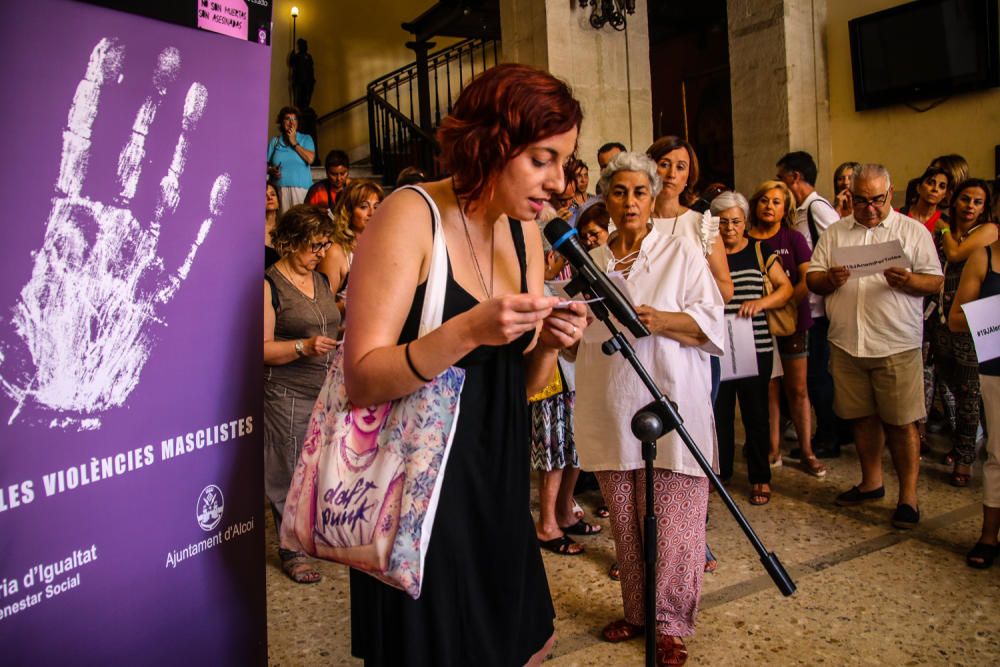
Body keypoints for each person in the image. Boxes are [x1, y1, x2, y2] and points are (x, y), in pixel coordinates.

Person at [342, 63, 587, 667]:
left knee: (523, 644)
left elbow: (518, 385)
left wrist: (551, 342)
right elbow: (363, 376)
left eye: (563, 162)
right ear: (491, 143)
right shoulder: (409, 215)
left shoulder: (525, 233)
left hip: (499, 485)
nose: (558, 182)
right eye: (542, 159)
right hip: (422, 497)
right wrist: (468, 329)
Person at [574, 151, 724, 666]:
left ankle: (670, 623)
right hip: (611, 403)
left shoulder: (681, 251)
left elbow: (712, 323)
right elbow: (582, 337)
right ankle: (638, 613)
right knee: (626, 517)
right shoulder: (592, 261)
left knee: (673, 522)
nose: (630, 201)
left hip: (670, 398)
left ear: (654, 194)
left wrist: (662, 320)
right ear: (605, 198)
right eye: (619, 192)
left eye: (640, 191)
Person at [807, 164, 943, 529]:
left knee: (902, 423)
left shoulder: (911, 232)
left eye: (877, 200)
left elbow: (935, 281)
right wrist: (829, 279)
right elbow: (814, 278)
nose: (869, 208)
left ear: (890, 193)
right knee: (860, 418)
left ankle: (909, 497)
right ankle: (871, 482)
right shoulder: (836, 232)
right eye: (861, 200)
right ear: (850, 196)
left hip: (895, 342)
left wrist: (910, 280)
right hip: (849, 342)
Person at [264, 204, 342, 584]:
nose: (321, 253)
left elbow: (331, 318)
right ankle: (291, 549)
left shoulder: (322, 280)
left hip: (325, 390)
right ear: (291, 242)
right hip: (287, 393)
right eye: (314, 245)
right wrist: (303, 347)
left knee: (320, 469)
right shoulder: (269, 285)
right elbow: (261, 349)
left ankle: (315, 536)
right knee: (290, 471)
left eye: (325, 245)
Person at [712, 191, 793, 505]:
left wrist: (760, 303)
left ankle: (760, 477)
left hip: (753, 345)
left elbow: (785, 289)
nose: (730, 228)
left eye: (735, 221)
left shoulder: (760, 250)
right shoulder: (707, 254)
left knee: (755, 412)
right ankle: (722, 471)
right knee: (719, 412)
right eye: (723, 222)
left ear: (745, 222)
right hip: (718, 345)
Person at [746, 180, 823, 476]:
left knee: (798, 388)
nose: (769, 206)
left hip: (791, 321)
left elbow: (807, 278)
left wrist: (786, 302)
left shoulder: (793, 239)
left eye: (777, 202)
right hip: (754, 324)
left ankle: (807, 451)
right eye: (764, 200)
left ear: (786, 208)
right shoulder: (744, 238)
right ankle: (772, 447)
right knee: (768, 389)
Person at [533, 235, 600, 556]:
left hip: (573, 379)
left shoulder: (565, 287)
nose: (563, 265)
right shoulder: (534, 288)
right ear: (549, 257)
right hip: (547, 383)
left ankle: (563, 512)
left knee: (576, 450)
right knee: (553, 453)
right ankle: (547, 524)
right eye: (560, 258)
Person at [776, 151, 847, 459]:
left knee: (817, 373)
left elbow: (838, 243)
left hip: (817, 304)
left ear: (794, 177)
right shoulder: (801, 210)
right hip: (808, 305)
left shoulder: (817, 208)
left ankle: (829, 436)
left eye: (781, 178)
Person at [931, 179, 997, 485]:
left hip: (974, 322)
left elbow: (956, 255)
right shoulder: (941, 234)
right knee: (948, 390)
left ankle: (965, 459)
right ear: (955, 200)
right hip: (940, 320)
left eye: (978, 202)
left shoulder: (985, 232)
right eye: (965, 199)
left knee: (970, 394)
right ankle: (958, 447)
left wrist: (944, 230)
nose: (970, 206)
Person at [948, 222, 1000, 568]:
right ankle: (988, 535)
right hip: (998, 364)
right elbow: (955, 318)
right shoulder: (984, 257)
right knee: (998, 453)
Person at [647, 136, 734, 305]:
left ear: (688, 177)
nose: (671, 174)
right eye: (664, 164)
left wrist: (687, 276)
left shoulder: (701, 225)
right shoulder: (634, 222)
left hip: (689, 320)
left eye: (680, 167)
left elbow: (726, 291)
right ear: (649, 169)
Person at [319, 180, 385, 296]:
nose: (372, 213)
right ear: (348, 211)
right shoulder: (335, 252)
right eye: (364, 207)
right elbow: (324, 309)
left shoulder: (383, 245)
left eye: (376, 207)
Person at [267, 106, 316, 211]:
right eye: (287, 119)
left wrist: (294, 142)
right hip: (279, 190)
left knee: (300, 224)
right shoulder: (274, 141)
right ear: (281, 122)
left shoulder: (306, 139)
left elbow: (310, 159)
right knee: (282, 224)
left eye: (294, 119)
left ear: (298, 122)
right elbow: (264, 166)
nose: (291, 122)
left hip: (301, 191)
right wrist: (271, 170)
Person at [901, 166, 951, 234]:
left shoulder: (946, 223)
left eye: (941, 186)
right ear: (918, 188)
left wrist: (945, 230)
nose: (935, 189)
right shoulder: (898, 215)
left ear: (944, 195)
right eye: (930, 183)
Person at [289, 38, 316, 111]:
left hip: (307, 82)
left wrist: (312, 81)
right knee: (299, 100)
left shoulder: (308, 57)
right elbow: (292, 64)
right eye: (302, 45)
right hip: (299, 82)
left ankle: (304, 109)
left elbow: (311, 69)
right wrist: (292, 56)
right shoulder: (297, 56)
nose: (304, 47)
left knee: (306, 99)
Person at [265, 181, 281, 268]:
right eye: (264, 195)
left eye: (273, 194)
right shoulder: (251, 230)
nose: (269, 197)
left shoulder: (287, 226)